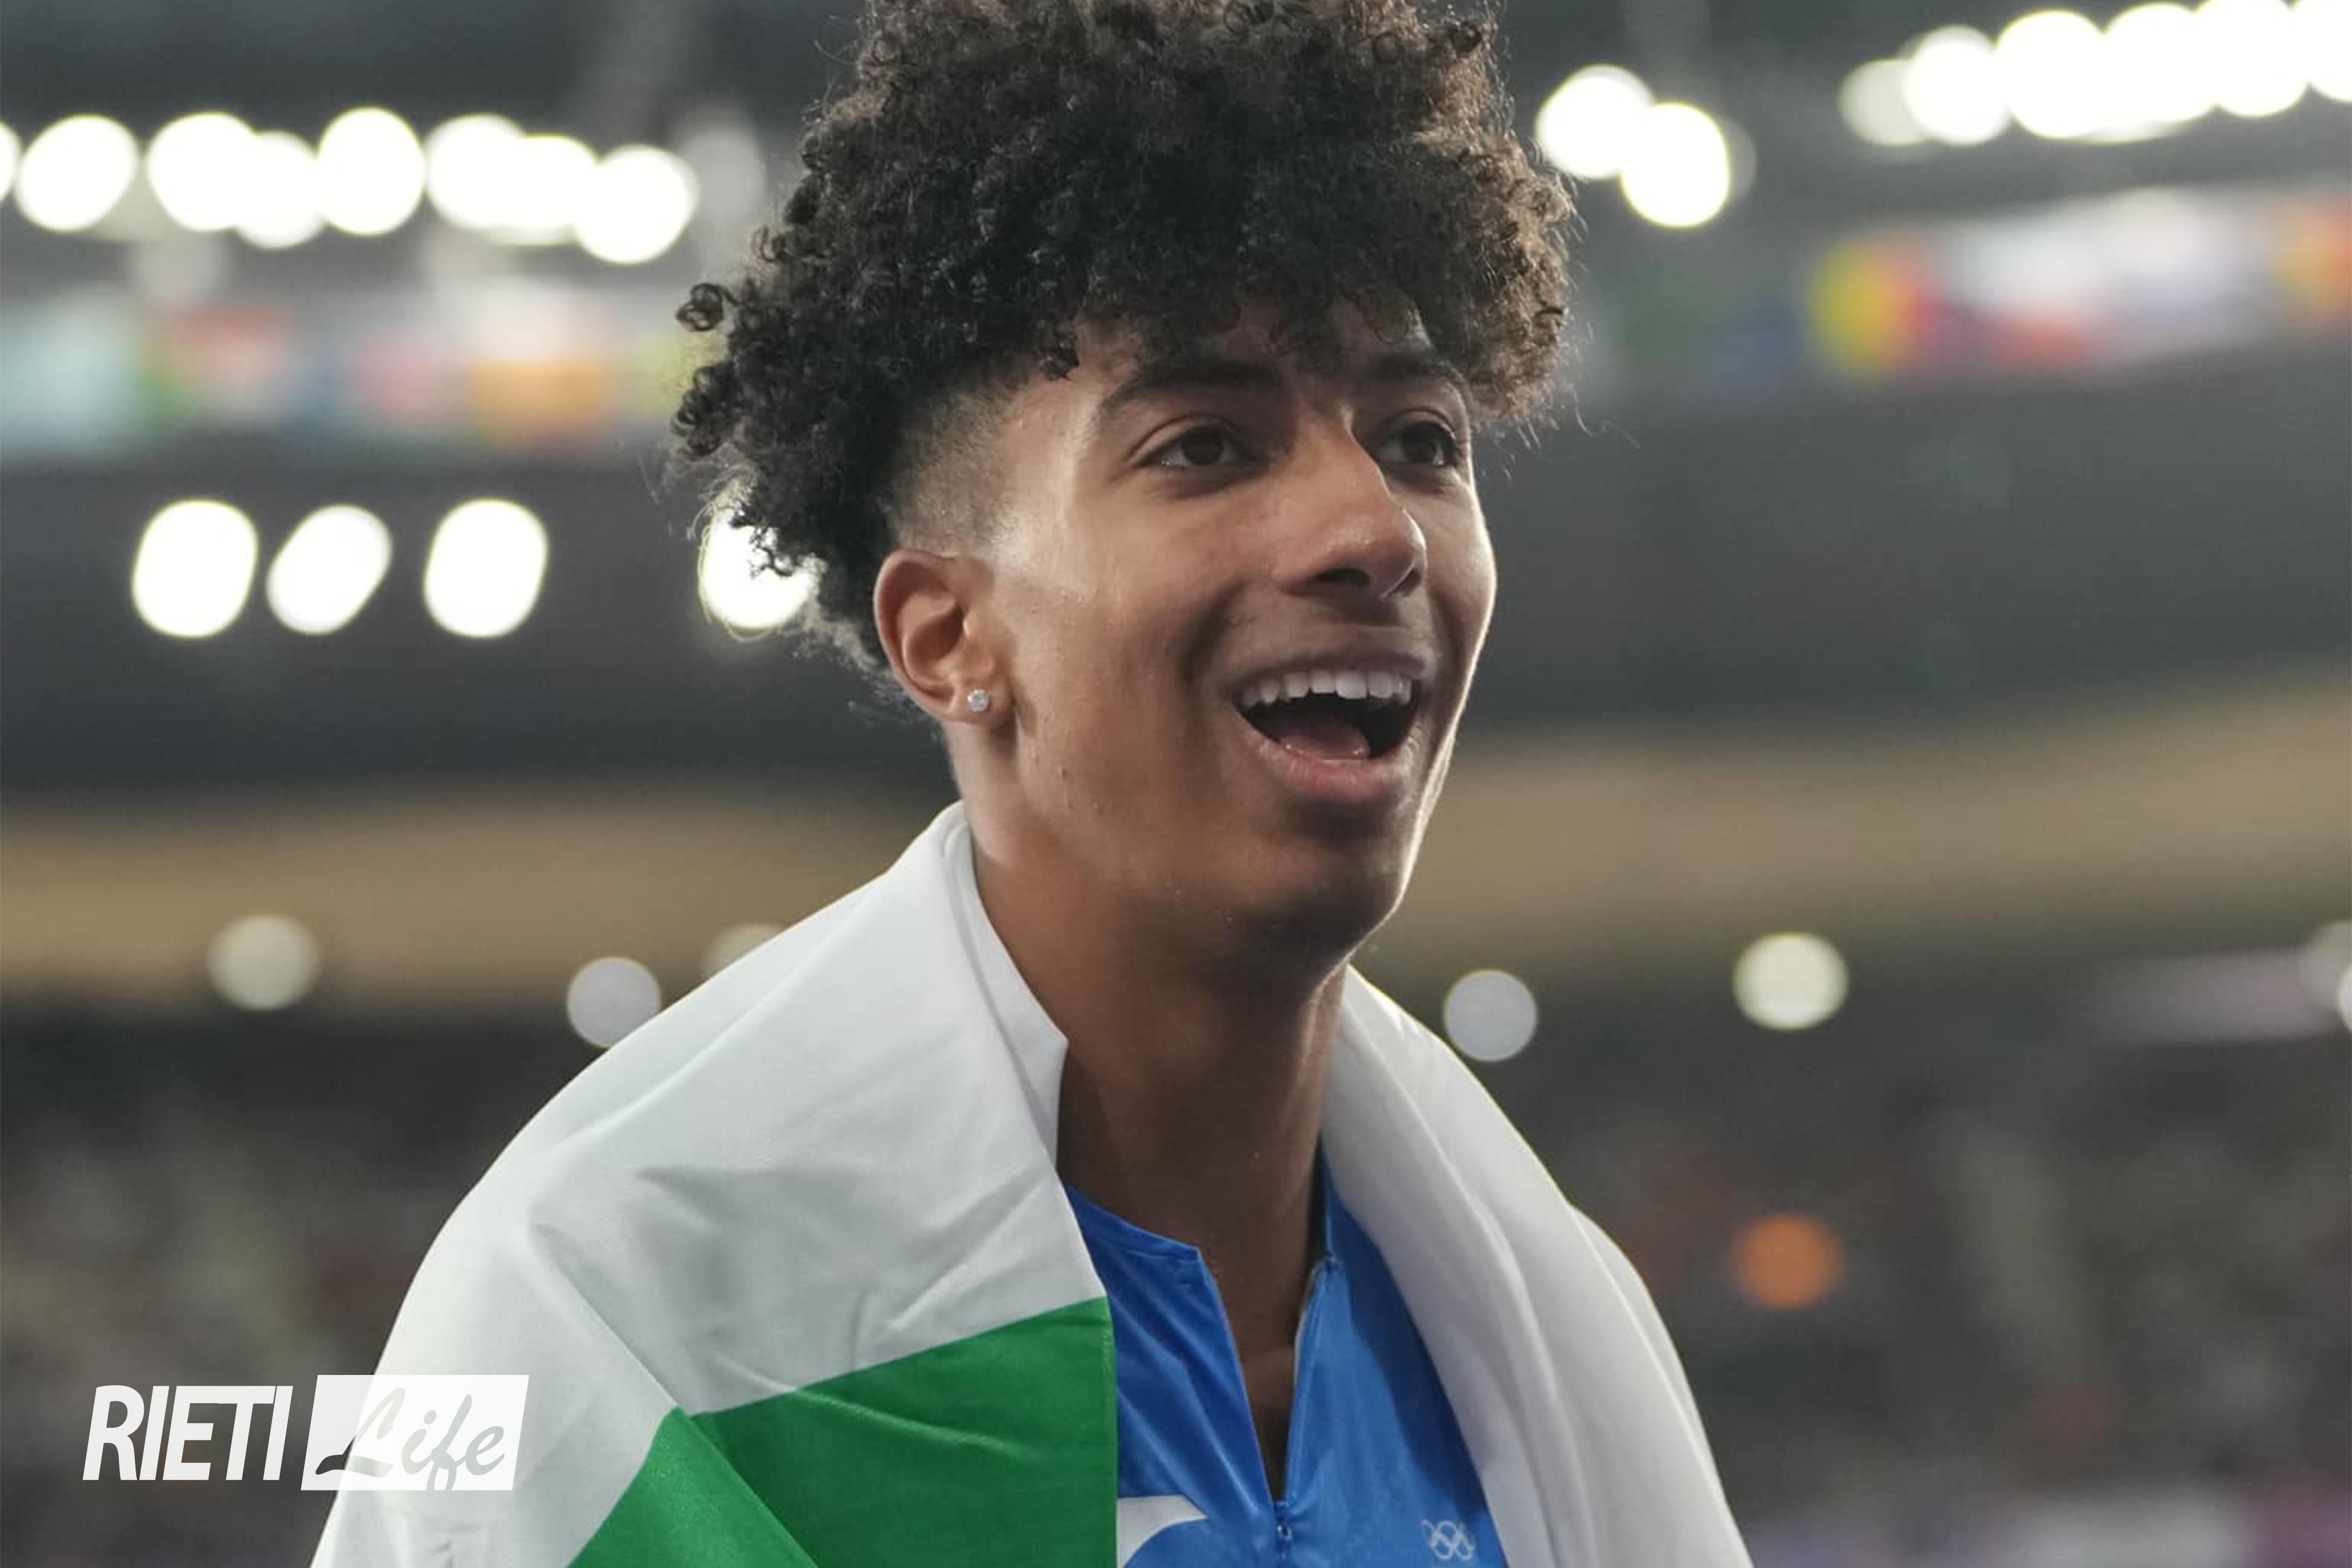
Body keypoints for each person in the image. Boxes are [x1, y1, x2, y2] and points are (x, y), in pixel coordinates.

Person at [314, 2, 1752, 1564]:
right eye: (1205, 447)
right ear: (947, 637)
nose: (1378, 529)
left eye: (1419, 438)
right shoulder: (613, 1314)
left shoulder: (1558, 1321)